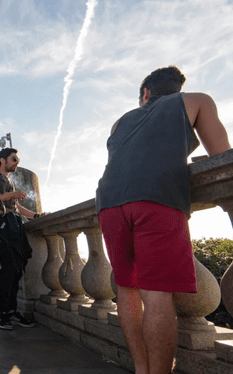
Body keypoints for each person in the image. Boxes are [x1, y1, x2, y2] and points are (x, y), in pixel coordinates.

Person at [96, 66, 231, 374]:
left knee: (126, 288)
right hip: (157, 197)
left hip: (110, 203)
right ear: (178, 88)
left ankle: (141, 368)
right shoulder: (196, 100)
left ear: (146, 93)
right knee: (156, 293)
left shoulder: (120, 121)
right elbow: (222, 157)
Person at [0, 148, 37, 330]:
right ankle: (3, 313)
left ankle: (12, 312)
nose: (17, 161)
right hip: (1, 223)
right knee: (8, 269)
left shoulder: (8, 181)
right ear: (2, 160)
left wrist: (35, 216)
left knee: (18, 268)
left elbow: (17, 207)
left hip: (15, 224)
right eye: (14, 158)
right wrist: (11, 195)